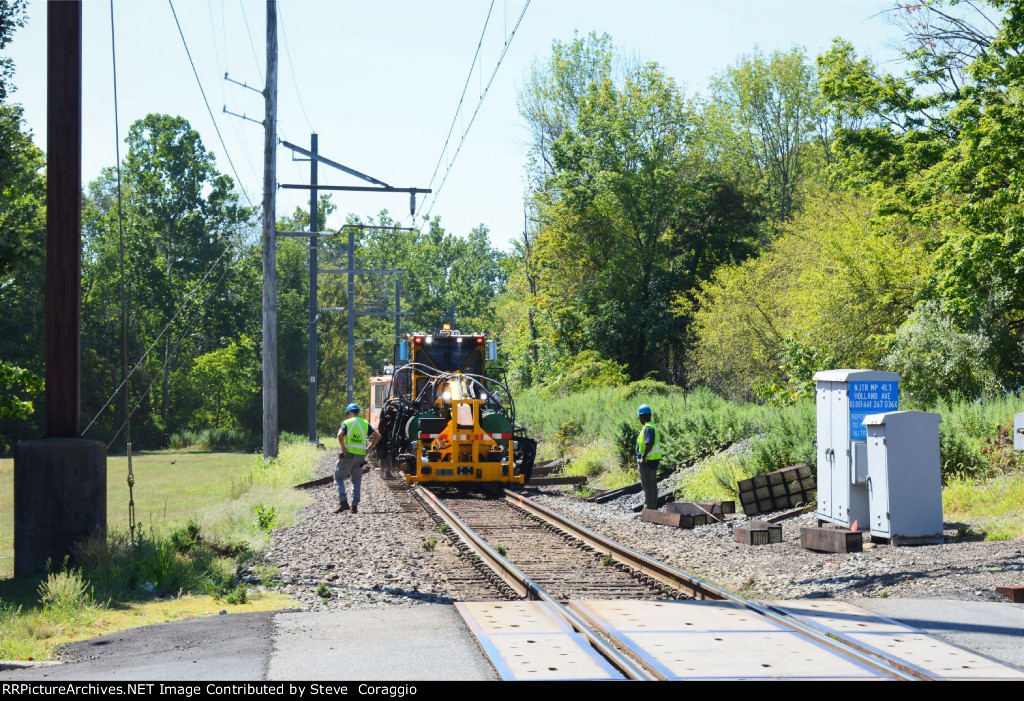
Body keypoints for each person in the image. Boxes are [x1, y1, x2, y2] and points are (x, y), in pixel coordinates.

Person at [334, 403, 380, 514]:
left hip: (349, 455)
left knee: (338, 477)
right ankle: (354, 506)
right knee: (356, 481)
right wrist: (368, 449)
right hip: (360, 456)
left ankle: (343, 502)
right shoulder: (365, 423)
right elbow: (377, 436)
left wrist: (343, 448)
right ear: (357, 412)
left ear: (350, 412)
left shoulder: (347, 422)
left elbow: (340, 435)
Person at [635, 404, 662, 510]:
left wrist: (643, 457)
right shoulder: (652, 426)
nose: (639, 419)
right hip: (652, 460)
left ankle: (649, 510)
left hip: (647, 461)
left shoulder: (648, 428)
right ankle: (652, 509)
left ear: (642, 416)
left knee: (648, 487)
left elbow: (649, 444)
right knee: (652, 486)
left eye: (639, 416)